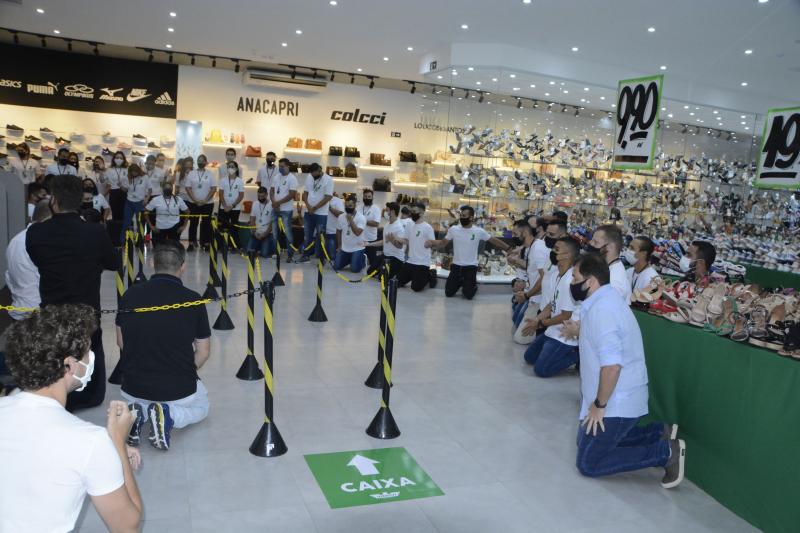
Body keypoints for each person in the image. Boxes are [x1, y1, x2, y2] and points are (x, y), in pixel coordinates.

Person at [0, 304, 143, 532]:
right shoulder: (92, 442)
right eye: (87, 352)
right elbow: (127, 525)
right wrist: (116, 442)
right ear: (70, 365)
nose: (91, 358)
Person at [570, 253, 685, 487]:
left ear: (590, 282)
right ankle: (657, 432)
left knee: (588, 463)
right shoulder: (603, 302)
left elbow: (612, 365)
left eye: (574, 278)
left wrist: (599, 406)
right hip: (612, 394)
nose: (572, 283)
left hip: (616, 400)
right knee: (583, 443)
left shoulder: (603, 310)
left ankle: (665, 452)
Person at [26, 174, 118, 411]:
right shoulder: (94, 232)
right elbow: (113, 263)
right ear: (80, 201)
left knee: (55, 352)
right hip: (86, 309)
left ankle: (55, 394)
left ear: (53, 201)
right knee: (90, 349)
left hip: (52, 309)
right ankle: (89, 396)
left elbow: (38, 260)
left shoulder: (36, 233)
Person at [115, 241, 212, 451]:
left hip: (133, 386)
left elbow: (121, 341)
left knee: (143, 400)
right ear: (183, 266)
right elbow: (203, 352)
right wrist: (185, 370)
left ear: (152, 263)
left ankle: (136, 413)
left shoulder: (129, 295)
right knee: (203, 407)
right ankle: (170, 416)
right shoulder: (193, 300)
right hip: (178, 389)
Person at [523, 236, 581, 377]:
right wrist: (537, 319)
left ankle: (578, 355)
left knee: (541, 370)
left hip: (564, 333)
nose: (552, 252)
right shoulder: (557, 274)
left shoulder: (570, 280)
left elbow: (565, 316)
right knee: (529, 357)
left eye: (556, 249)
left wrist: (542, 323)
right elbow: (552, 303)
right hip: (552, 329)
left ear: (567, 255)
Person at [428, 205, 511, 299]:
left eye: (464, 216)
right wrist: (431, 243)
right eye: (461, 216)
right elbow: (443, 243)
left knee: (468, 295)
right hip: (456, 266)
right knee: (448, 293)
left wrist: (508, 248)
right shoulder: (454, 229)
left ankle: (469, 283)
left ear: (471, 217)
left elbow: (493, 240)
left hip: (470, 267)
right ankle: (461, 281)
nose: (461, 218)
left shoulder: (479, 231)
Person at [5, 201, 51, 320]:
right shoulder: (41, 241)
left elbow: (8, 277)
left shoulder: (16, 240)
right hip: (38, 314)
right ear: (50, 218)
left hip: (20, 309)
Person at [513, 216, 555, 344]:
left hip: (540, 299)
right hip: (534, 295)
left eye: (515, 233)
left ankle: (543, 328)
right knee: (516, 320)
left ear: (525, 233)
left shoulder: (538, 249)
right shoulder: (531, 247)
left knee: (520, 339)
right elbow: (533, 271)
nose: (513, 236)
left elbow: (544, 279)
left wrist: (526, 295)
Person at [297, 163, 334, 263]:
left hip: (321, 214)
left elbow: (328, 197)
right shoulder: (310, 176)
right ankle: (306, 256)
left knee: (321, 236)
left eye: (315, 174)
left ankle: (322, 259)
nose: (313, 176)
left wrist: (315, 208)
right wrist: (308, 207)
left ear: (320, 170)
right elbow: (305, 194)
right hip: (308, 212)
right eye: (312, 174)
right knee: (307, 235)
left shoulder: (328, 180)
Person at [397, 203, 436, 292]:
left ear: (421, 213)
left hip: (422, 263)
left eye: (414, 211)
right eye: (411, 211)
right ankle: (412, 275)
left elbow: (432, 243)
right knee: (397, 282)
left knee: (416, 288)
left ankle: (430, 274)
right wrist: (396, 238)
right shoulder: (409, 225)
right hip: (410, 261)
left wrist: (429, 244)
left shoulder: (428, 228)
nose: (411, 213)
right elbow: (406, 241)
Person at [585, 224, 630, 303]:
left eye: (596, 242)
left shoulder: (614, 282)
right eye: (592, 240)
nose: (590, 244)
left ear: (610, 247)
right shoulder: (605, 268)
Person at [185, 154, 217, 252]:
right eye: (199, 160)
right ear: (197, 162)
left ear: (206, 162)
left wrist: (205, 200)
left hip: (207, 203)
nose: (201, 162)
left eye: (203, 160)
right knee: (193, 223)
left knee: (206, 224)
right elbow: (188, 188)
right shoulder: (191, 173)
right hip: (193, 203)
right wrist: (195, 200)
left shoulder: (210, 174)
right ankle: (191, 243)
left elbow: (214, 188)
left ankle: (206, 244)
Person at [271, 158, 299, 259]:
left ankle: (290, 254)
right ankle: (275, 252)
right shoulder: (276, 177)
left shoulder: (292, 179)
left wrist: (278, 203)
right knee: (275, 232)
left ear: (288, 166)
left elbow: (291, 195)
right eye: (280, 166)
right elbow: (272, 190)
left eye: (282, 166)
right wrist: (274, 202)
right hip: (275, 209)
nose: (280, 168)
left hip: (286, 211)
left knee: (288, 233)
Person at [334, 194, 367, 272]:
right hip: (344, 248)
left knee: (354, 270)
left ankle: (362, 259)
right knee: (336, 266)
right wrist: (339, 246)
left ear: (355, 205)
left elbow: (357, 233)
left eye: (351, 206)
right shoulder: (341, 217)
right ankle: (351, 259)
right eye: (347, 206)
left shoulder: (361, 218)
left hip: (357, 248)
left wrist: (351, 220)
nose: (348, 208)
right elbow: (338, 231)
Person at [217, 160, 245, 250]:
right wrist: (225, 206)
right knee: (222, 227)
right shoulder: (223, 180)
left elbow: (241, 195)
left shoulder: (240, 181)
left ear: (236, 169)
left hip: (235, 209)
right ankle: (222, 246)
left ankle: (233, 246)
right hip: (223, 208)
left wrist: (232, 206)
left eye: (232, 167)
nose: (230, 168)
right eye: (229, 167)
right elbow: (221, 193)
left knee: (233, 228)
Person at [120, 163, 149, 241]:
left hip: (140, 203)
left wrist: (146, 199)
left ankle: (140, 241)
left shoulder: (145, 177)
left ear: (139, 170)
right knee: (126, 222)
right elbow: (126, 190)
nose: (134, 173)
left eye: (136, 171)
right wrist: (120, 186)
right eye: (132, 172)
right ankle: (124, 240)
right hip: (129, 202)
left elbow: (150, 190)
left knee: (139, 223)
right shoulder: (128, 178)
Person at [377, 202, 406, 278]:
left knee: (382, 278)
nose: (385, 212)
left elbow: (400, 246)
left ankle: (398, 271)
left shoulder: (399, 227)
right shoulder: (387, 224)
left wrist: (392, 240)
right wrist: (368, 244)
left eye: (387, 210)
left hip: (395, 258)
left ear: (392, 212)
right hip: (386, 255)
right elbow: (384, 241)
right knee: (369, 271)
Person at [247, 186, 276, 258]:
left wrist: (264, 234)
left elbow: (272, 223)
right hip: (256, 233)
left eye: (262, 196)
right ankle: (258, 248)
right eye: (258, 196)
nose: (260, 198)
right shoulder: (255, 204)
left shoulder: (272, 205)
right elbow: (252, 219)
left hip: (267, 234)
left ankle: (267, 249)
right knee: (249, 252)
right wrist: (254, 232)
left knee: (264, 254)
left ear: (266, 195)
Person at [359, 188, 383, 274]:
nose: (367, 198)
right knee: (358, 265)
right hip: (360, 239)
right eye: (365, 196)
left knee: (374, 265)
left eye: (369, 196)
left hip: (371, 240)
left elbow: (376, 223)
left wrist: (363, 220)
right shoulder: (359, 207)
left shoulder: (376, 208)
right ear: (363, 197)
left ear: (372, 197)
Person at [104, 150, 128, 223]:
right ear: (114, 159)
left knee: (123, 213)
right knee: (115, 213)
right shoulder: (109, 170)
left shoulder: (127, 170)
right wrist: (101, 173)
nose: (119, 159)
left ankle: (123, 231)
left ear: (123, 160)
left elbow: (129, 183)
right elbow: (103, 180)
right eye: (117, 157)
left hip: (124, 193)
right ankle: (115, 230)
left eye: (121, 158)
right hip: (113, 192)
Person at [325, 192, 345, 259]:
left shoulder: (337, 200)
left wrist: (329, 207)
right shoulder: (319, 199)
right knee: (320, 256)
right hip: (321, 233)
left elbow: (341, 215)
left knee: (332, 257)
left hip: (332, 233)